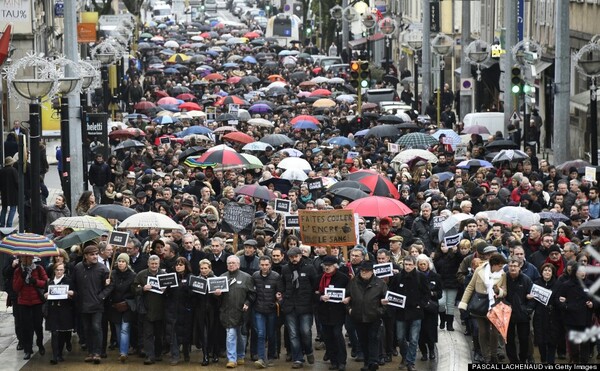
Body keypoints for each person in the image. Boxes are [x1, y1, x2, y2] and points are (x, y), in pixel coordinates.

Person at [458, 253, 507, 363]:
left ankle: (494, 355)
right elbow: (470, 287)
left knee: (495, 332)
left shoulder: (503, 274)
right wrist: (463, 303)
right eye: (500, 266)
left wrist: (498, 291)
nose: (501, 268)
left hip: (495, 305)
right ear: (494, 264)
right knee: (483, 332)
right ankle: (486, 356)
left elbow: (505, 292)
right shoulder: (479, 270)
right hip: (480, 304)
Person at [72, 245, 113, 364]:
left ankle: (97, 352)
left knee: (96, 327)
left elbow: (110, 286)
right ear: (85, 256)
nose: (95, 256)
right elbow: (73, 283)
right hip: (83, 304)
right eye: (92, 254)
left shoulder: (102, 269)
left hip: (97, 305)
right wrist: (75, 295)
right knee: (87, 328)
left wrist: (101, 296)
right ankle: (90, 352)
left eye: (96, 254)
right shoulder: (78, 268)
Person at [387, 255, 429, 371]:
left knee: (414, 338)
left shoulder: (421, 277)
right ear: (403, 265)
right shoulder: (398, 277)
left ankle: (410, 362)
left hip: (416, 311)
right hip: (401, 312)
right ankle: (405, 357)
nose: (408, 267)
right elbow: (391, 292)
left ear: (414, 265)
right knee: (400, 338)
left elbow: (427, 293)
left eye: (410, 265)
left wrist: (421, 304)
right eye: (406, 264)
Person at [344, 260, 387, 371]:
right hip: (358, 317)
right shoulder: (353, 282)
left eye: (366, 271)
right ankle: (367, 362)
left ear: (372, 272)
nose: (363, 272)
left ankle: (373, 362)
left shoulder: (380, 283)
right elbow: (347, 297)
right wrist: (349, 310)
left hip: (374, 317)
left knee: (373, 339)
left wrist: (380, 311)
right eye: (362, 270)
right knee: (363, 341)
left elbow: (387, 300)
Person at [215, 255, 256, 368]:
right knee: (231, 335)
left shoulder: (247, 277)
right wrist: (217, 295)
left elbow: (252, 294)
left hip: (242, 312)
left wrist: (247, 303)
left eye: (233, 263)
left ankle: (240, 355)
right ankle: (232, 359)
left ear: (238, 264)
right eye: (229, 263)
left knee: (241, 336)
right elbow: (217, 299)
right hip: (227, 312)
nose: (231, 265)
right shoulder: (222, 277)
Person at [280, 247, 318, 368]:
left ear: (300, 256)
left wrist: (312, 299)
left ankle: (308, 351)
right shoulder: (285, 269)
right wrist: (282, 296)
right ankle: (298, 358)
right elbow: (282, 284)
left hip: (305, 306)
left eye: (296, 256)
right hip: (290, 306)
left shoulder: (309, 267)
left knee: (305, 332)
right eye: (291, 257)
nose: (294, 259)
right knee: (293, 334)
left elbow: (315, 284)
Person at [317, 256, 349, 371]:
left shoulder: (343, 278)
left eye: (329, 265)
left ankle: (342, 361)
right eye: (325, 265)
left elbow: (349, 292)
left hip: (337, 312)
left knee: (337, 335)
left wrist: (347, 299)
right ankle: (333, 361)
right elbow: (313, 293)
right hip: (324, 313)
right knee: (328, 337)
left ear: (335, 266)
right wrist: (320, 297)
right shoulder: (320, 278)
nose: (326, 267)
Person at [13, 255, 48, 360]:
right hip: (23, 302)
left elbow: (46, 283)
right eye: (23, 258)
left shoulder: (38, 268)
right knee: (26, 327)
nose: (26, 260)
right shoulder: (18, 271)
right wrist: (21, 277)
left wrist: (35, 281)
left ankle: (40, 344)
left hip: (37, 302)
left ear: (32, 259)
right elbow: (15, 288)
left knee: (38, 325)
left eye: (28, 258)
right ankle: (27, 350)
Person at [132, 255, 166, 365]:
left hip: (161, 310)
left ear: (159, 264)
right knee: (148, 334)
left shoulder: (165, 275)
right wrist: (142, 289)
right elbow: (134, 288)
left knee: (159, 334)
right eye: (152, 264)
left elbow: (173, 292)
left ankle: (158, 353)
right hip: (146, 309)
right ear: (148, 264)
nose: (154, 266)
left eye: (156, 264)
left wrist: (166, 289)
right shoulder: (141, 274)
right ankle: (149, 356)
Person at [251, 255, 283, 368]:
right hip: (259, 310)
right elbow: (252, 292)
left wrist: (277, 302)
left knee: (271, 334)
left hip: (271, 310)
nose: (264, 267)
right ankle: (261, 358)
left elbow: (280, 292)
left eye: (266, 265)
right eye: (262, 265)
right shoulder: (255, 276)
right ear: (259, 265)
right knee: (260, 334)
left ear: (270, 265)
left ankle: (270, 357)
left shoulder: (276, 276)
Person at [107, 253, 136, 363]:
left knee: (125, 328)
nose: (121, 263)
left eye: (123, 261)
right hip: (115, 306)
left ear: (127, 263)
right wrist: (107, 283)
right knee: (118, 329)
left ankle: (123, 352)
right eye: (119, 261)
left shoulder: (133, 275)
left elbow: (134, 291)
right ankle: (122, 349)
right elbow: (110, 290)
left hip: (127, 305)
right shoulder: (112, 274)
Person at [504, 256, 534, 363]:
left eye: (515, 266)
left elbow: (532, 296)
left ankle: (523, 359)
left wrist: (528, 310)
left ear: (519, 267)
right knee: (509, 339)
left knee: (524, 339)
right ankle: (513, 360)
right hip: (507, 314)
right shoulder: (504, 278)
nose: (512, 268)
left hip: (523, 314)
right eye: (510, 266)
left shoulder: (526, 279)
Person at [165, 257, 194, 365]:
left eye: (181, 265)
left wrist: (186, 288)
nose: (178, 266)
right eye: (177, 265)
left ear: (186, 266)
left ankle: (186, 352)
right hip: (172, 309)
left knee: (185, 332)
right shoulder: (171, 277)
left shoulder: (191, 277)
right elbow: (167, 293)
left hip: (186, 310)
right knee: (173, 333)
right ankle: (175, 355)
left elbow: (194, 294)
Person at [44, 262, 75, 365]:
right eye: (57, 270)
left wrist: (71, 293)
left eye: (61, 270)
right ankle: (55, 355)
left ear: (64, 270)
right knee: (54, 332)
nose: (59, 272)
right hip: (52, 310)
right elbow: (44, 294)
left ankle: (60, 353)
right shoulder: (50, 282)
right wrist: (46, 295)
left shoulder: (68, 281)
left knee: (62, 332)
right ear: (54, 270)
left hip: (64, 310)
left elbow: (75, 294)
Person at [416, 254, 442, 361]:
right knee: (420, 331)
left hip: (431, 308)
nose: (422, 266)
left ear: (428, 264)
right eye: (420, 264)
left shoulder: (436, 277)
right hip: (419, 308)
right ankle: (424, 353)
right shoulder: (415, 276)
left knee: (430, 331)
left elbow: (440, 293)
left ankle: (432, 350)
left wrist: (432, 293)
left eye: (424, 264)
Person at [194, 259, 219, 365]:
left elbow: (221, 298)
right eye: (202, 268)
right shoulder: (196, 280)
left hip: (213, 310)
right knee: (203, 333)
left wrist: (217, 294)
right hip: (200, 309)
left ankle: (214, 353)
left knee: (213, 332)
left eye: (205, 268)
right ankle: (205, 356)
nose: (203, 270)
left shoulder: (216, 279)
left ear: (210, 268)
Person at [0, 156, 18, 227]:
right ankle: (9, 224)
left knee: (4, 208)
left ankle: (1, 224)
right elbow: (17, 182)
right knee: (13, 208)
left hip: (4, 192)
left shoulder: (1, 171)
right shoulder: (13, 170)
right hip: (13, 192)